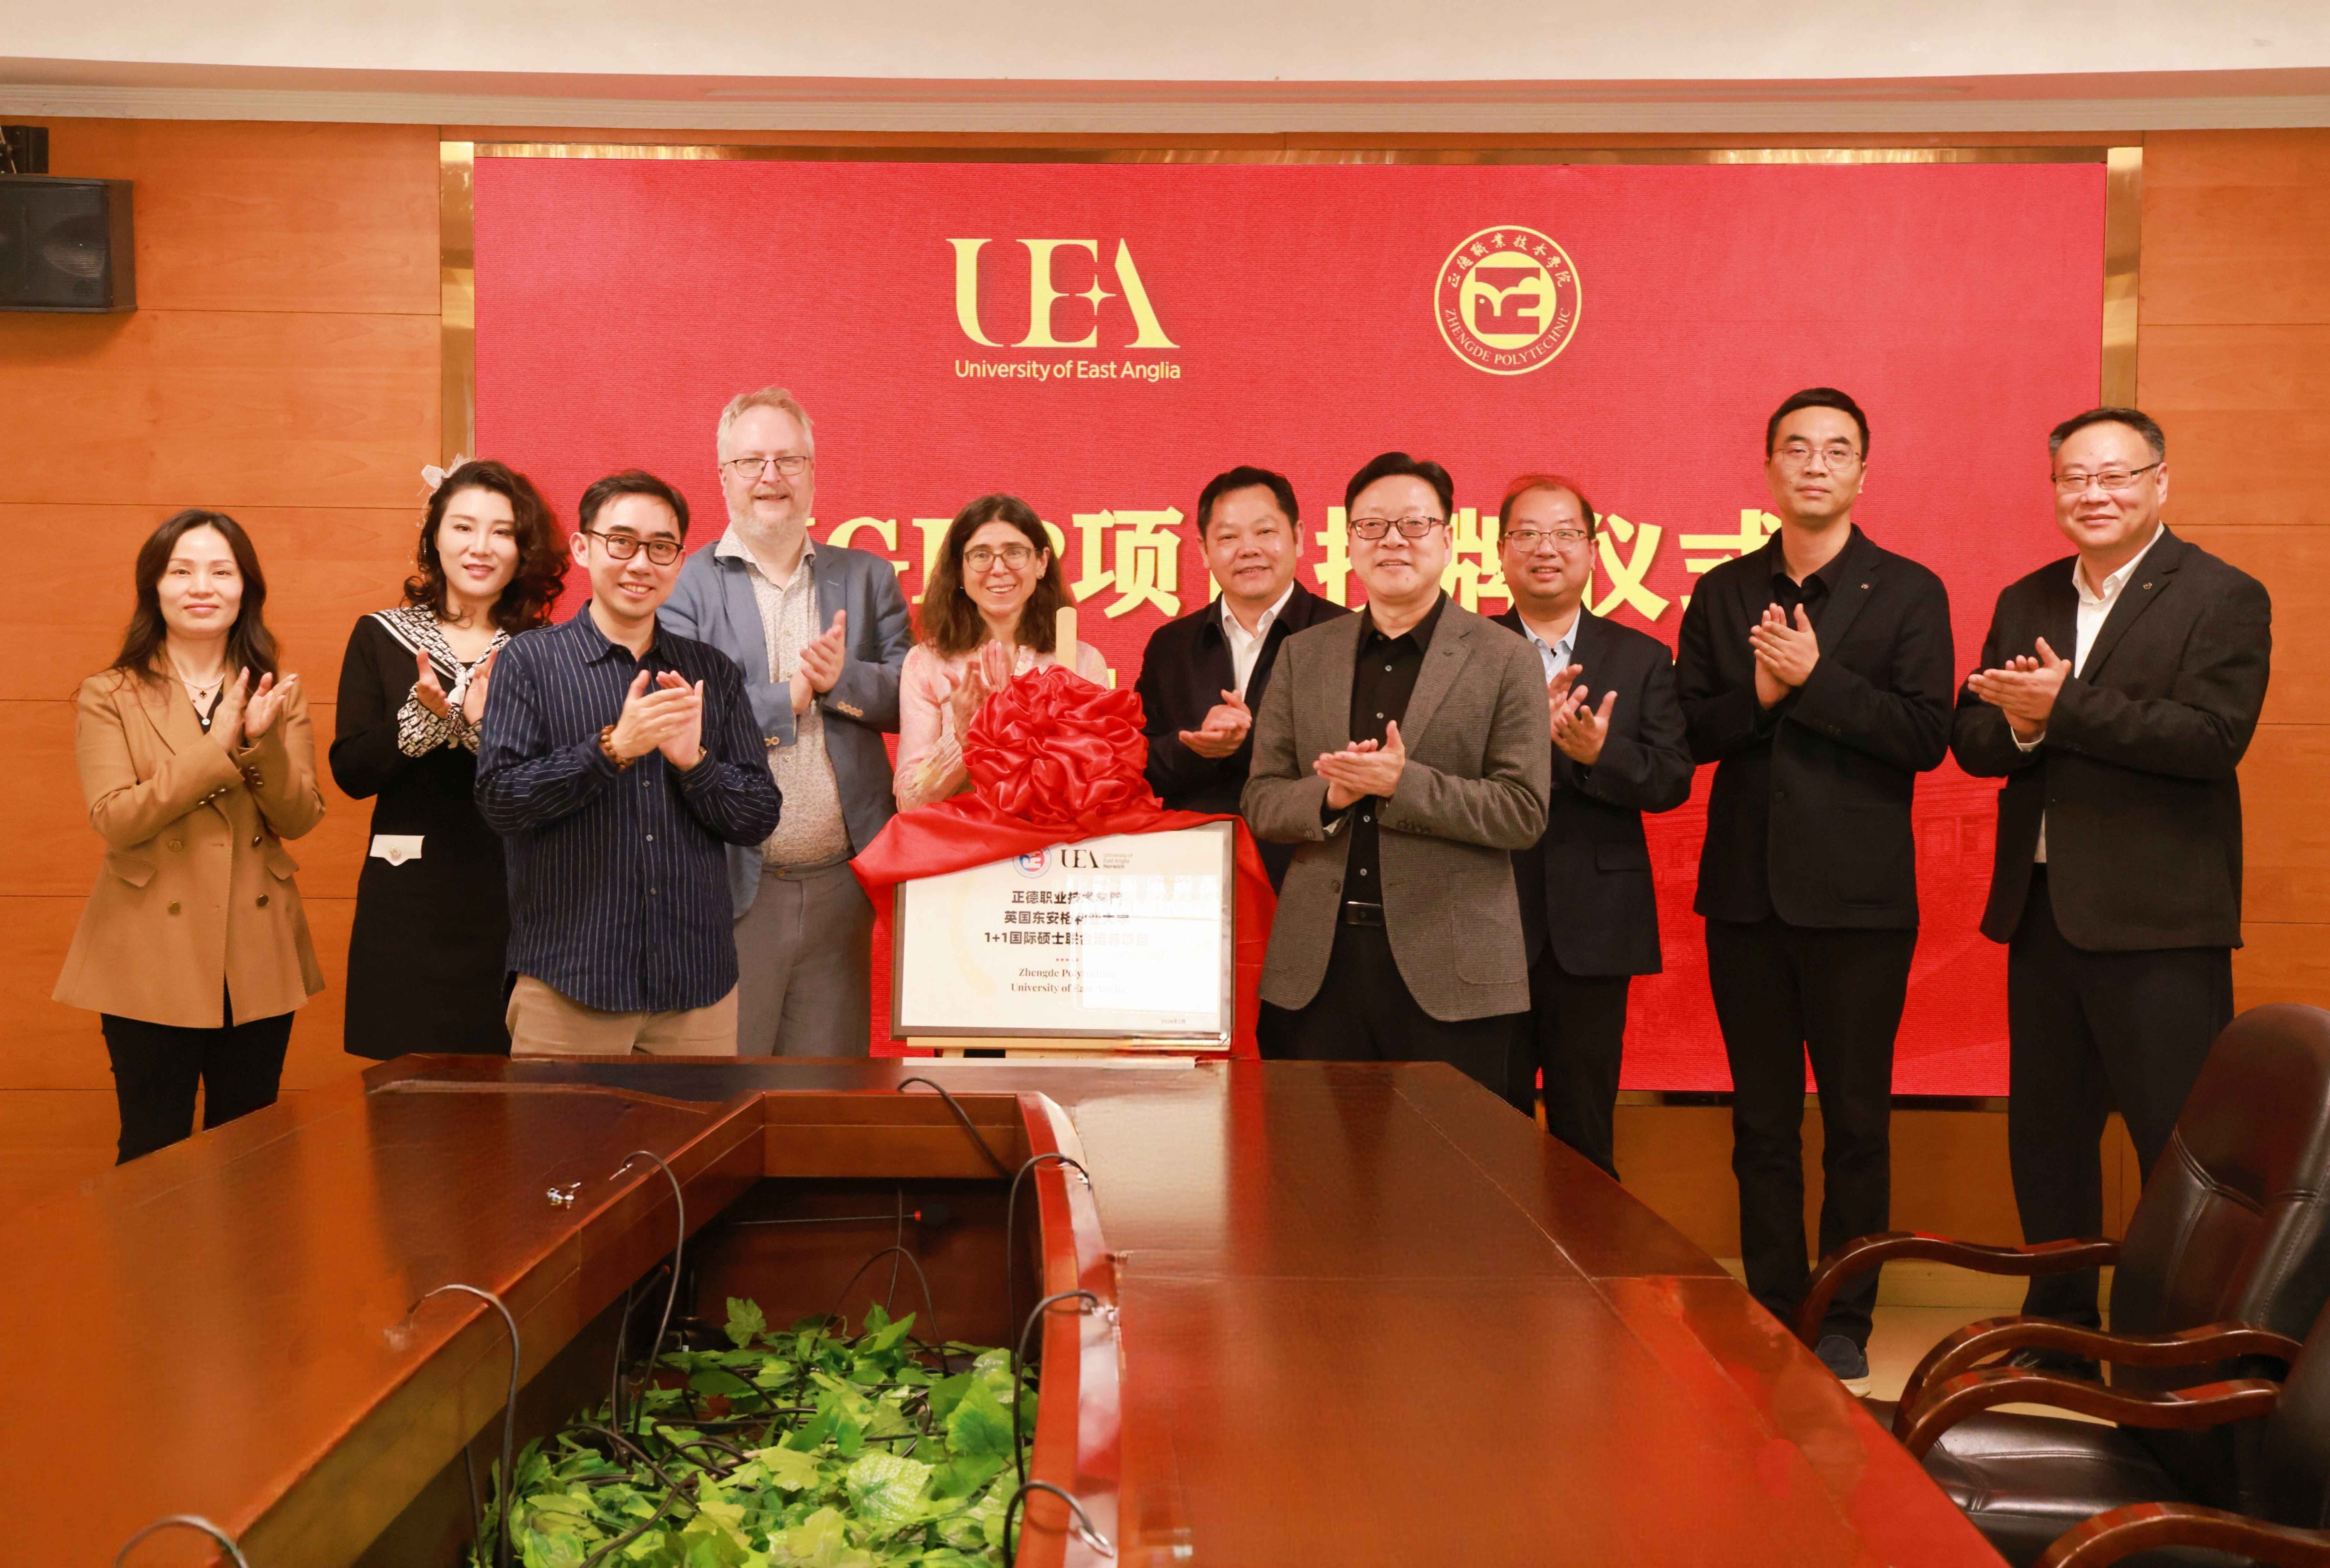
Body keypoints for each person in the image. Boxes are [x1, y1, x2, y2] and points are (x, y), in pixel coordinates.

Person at [1955, 406, 2271, 1347]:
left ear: (2158, 483)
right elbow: (1972, 736)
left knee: (2177, 1147)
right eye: (2073, 478)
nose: (2092, 494)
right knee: (2046, 1141)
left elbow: (2210, 738)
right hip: (2042, 912)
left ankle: (2180, 1347)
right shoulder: (2025, 598)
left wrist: (2062, 707)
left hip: (2159, 924)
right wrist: (2020, 725)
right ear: (2053, 489)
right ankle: (2057, 1334)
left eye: (2114, 475)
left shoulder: (2220, 595)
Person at [1674, 388, 1953, 1393]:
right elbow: (1689, 731)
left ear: (1861, 473)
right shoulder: (1722, 591)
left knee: (1854, 1122)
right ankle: (1771, 1302)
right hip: (1745, 901)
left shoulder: (1909, 590)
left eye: (1835, 450)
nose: (1814, 465)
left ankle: (1843, 1316)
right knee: (1760, 1123)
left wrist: (1813, 678)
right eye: (1795, 449)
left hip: (1858, 907)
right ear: (1768, 469)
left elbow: (1925, 735)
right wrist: (1758, 692)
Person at [1242, 452, 1551, 1096]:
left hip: (1451, 969)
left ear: (1448, 538)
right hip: (1319, 970)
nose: (1391, 540)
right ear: (1347, 541)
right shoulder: (1302, 654)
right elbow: (1262, 799)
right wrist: (1331, 794)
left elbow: (1522, 811)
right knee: (1309, 1156)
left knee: (1452, 1158)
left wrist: (1399, 784)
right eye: (1371, 525)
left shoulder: (1506, 657)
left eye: (1413, 524)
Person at [476, 470, 783, 1056]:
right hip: (570, 984)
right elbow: (501, 801)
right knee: (558, 1125)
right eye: (621, 542)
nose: (641, 563)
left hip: (696, 989)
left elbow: (757, 817)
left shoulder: (711, 671)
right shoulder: (529, 661)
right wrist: (612, 749)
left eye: (660, 547)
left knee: (700, 1125)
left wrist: (694, 763)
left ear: (680, 560)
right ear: (583, 547)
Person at [54, 510, 325, 1161]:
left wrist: (259, 742)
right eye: (182, 571)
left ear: (245, 589)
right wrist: (216, 746)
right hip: (148, 948)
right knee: (153, 1148)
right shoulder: (109, 694)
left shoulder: (277, 693)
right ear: (154, 586)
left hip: (255, 946)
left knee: (252, 1153)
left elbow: (300, 818)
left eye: (221, 571)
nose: (202, 586)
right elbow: (117, 818)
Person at [661, 388, 912, 1059]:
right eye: (751, 461)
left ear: (812, 471)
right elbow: (683, 712)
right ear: (724, 476)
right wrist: (787, 699)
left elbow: (910, 694)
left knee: (825, 1093)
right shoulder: (685, 585)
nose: (770, 477)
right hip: (730, 879)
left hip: (842, 883)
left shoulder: (866, 576)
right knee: (727, 1087)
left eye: (788, 459)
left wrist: (840, 681)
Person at [1490, 474, 1693, 1177]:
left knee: (1584, 1132)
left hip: (1596, 924)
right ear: (1500, 551)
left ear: (1592, 549)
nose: (1545, 549)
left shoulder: (1641, 657)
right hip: (1488, 916)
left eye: (1564, 534)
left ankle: (1586, 1254)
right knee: (1488, 1131)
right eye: (1526, 534)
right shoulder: (1467, 649)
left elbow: (1670, 778)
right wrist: (1528, 742)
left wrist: (1596, 754)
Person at [330, 459, 563, 1059]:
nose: (480, 547)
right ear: (434, 536)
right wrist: (421, 724)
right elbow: (351, 772)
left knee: (510, 1097)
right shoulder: (381, 635)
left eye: (502, 532)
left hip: (514, 904)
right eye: (463, 527)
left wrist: (487, 730)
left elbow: (556, 784)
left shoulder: (546, 648)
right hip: (407, 905)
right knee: (405, 1098)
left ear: (524, 548)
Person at [1135, 464, 1347, 890]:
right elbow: (1138, 764)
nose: (1249, 549)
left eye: (1265, 532)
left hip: (1311, 875)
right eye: (1229, 537)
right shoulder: (1171, 645)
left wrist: (1250, 742)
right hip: (1192, 878)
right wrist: (1194, 747)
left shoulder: (1345, 635)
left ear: (1299, 537)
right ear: (1203, 550)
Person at [894, 493, 1108, 811]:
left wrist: (1017, 724)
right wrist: (965, 737)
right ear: (959, 569)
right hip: (960, 840)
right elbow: (910, 803)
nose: (999, 569)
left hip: (1052, 839)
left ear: (1041, 562)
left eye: (1014, 553)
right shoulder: (926, 663)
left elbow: (1096, 785)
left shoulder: (1083, 662)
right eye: (981, 555)